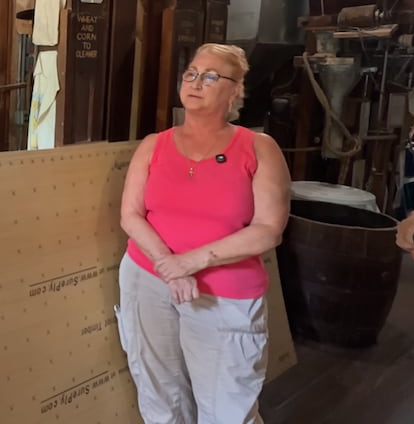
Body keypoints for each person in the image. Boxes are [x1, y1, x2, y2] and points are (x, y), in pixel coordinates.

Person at [117, 43, 291, 424]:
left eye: (211, 76)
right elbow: (130, 216)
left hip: (224, 293)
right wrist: (170, 266)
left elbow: (268, 230)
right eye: (192, 73)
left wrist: (191, 262)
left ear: (235, 91)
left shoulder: (259, 148)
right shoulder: (153, 145)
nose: (196, 82)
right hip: (147, 279)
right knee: (158, 391)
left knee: (229, 406)